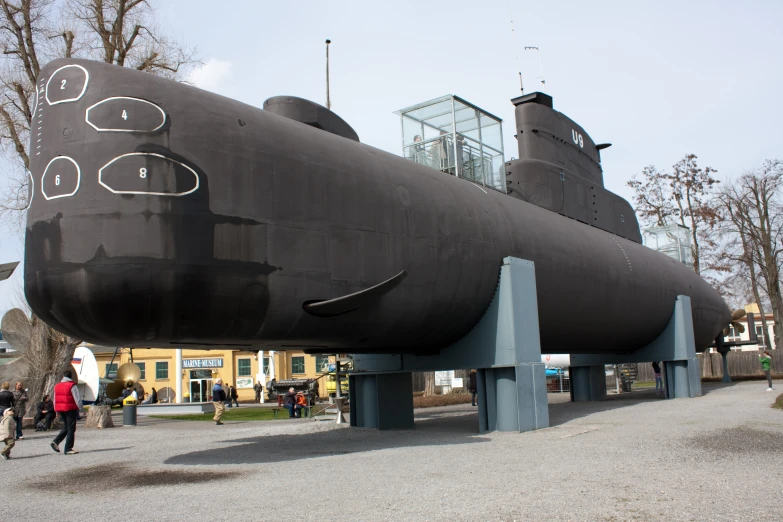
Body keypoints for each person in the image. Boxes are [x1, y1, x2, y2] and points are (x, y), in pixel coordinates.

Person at [51, 369, 81, 455]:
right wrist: (80, 408)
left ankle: (56, 442)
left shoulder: (57, 386)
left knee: (66, 427)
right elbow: (77, 398)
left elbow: (55, 399)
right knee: (71, 428)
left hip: (60, 408)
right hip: (69, 408)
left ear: (63, 377)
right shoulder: (72, 385)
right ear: (71, 377)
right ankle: (68, 448)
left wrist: (56, 410)